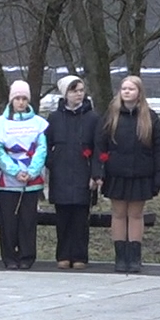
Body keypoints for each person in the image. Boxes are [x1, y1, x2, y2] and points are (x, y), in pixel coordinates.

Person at [100, 74, 160, 273]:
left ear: (139, 92)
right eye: (124, 88)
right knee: (119, 214)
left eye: (131, 88)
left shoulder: (150, 117)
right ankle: (121, 257)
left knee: (136, 215)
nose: (127, 91)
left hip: (141, 174)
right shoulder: (111, 116)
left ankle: (134, 257)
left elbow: (159, 150)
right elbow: (101, 146)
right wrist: (100, 171)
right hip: (116, 174)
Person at [44, 75, 100, 270]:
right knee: (63, 217)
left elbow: (98, 148)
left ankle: (79, 256)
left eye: (81, 90)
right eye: (74, 90)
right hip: (61, 174)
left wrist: (95, 174)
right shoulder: (54, 118)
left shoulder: (92, 118)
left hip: (83, 174)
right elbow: (46, 145)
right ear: (65, 93)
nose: (78, 94)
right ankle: (63, 254)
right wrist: (52, 162)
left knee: (80, 218)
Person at [0, 80, 49, 270]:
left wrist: (32, 171)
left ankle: (27, 256)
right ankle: (9, 256)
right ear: (11, 100)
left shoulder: (39, 124)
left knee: (27, 220)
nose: (21, 102)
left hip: (31, 181)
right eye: (17, 98)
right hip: (8, 181)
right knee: (8, 220)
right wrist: (15, 171)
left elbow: (42, 149)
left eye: (24, 98)